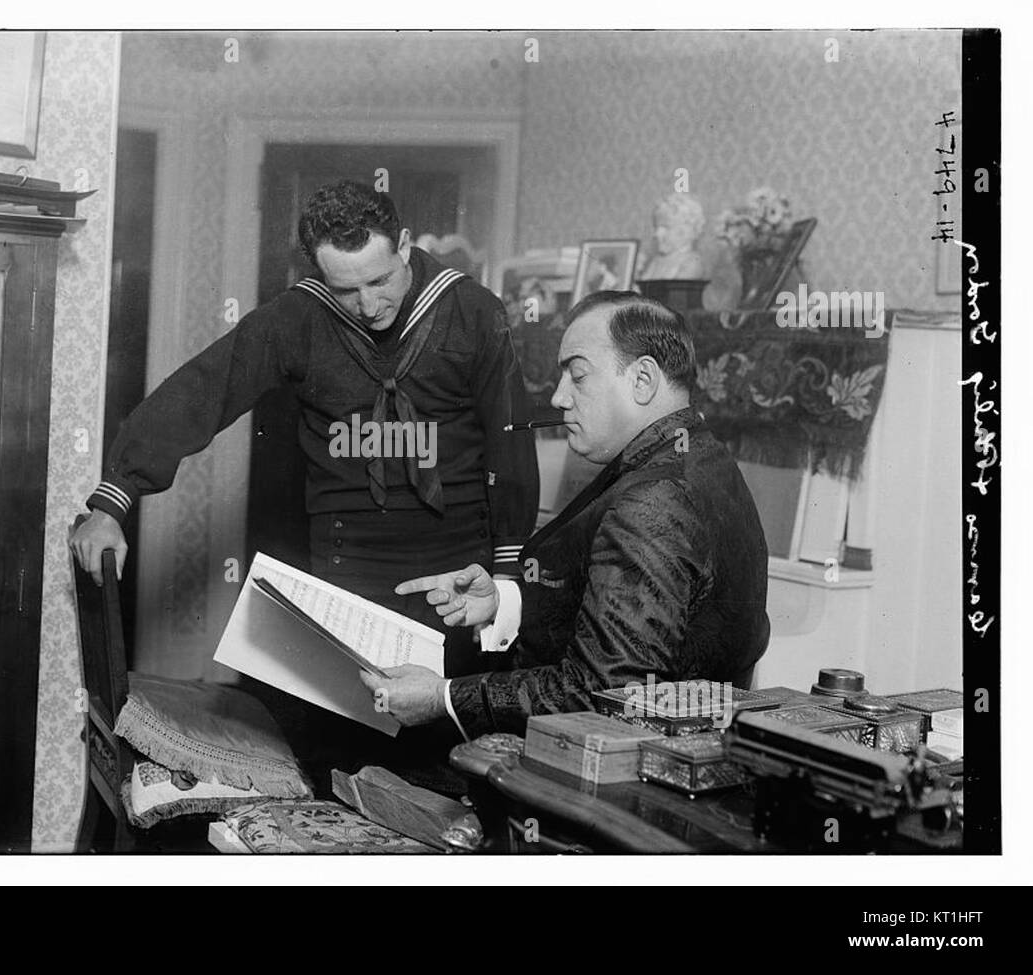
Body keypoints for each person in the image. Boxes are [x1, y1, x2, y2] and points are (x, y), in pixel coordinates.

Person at [70, 179, 539, 682]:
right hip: (345, 571)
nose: (369, 306)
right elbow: (201, 391)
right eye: (346, 290)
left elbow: (510, 441)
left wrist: (506, 575)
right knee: (345, 724)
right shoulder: (295, 317)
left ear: (404, 245)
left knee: (445, 722)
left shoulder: (473, 311)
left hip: (457, 571)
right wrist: (112, 502)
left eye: (380, 281)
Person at [362, 291, 770, 738]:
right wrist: (506, 603)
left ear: (643, 379)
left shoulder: (656, 498)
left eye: (578, 376)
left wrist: (443, 697)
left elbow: (605, 692)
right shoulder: (700, 457)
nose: (558, 397)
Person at [637, 194, 707, 280]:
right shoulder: (656, 261)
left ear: (685, 231)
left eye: (665, 227)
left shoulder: (691, 263)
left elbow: (676, 288)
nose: (657, 234)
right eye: (656, 227)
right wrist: (635, 272)